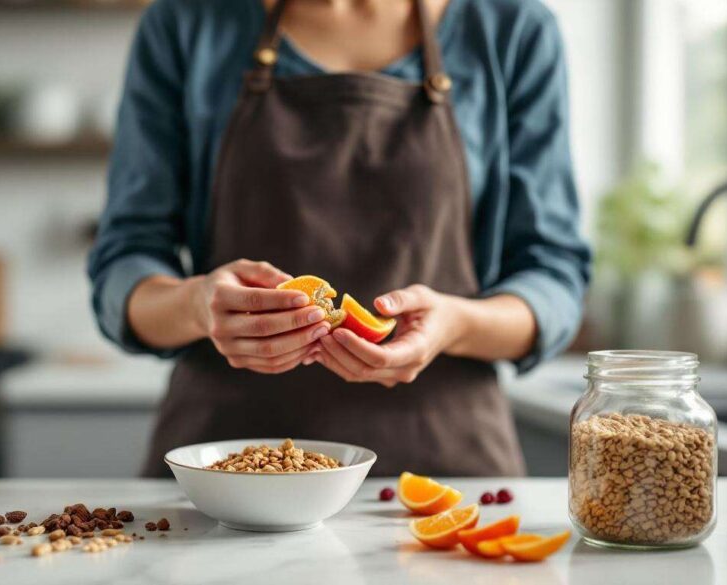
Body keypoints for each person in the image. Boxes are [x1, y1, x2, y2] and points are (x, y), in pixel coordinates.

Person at [88, 0, 591, 477]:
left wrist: (456, 324)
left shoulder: (511, 27)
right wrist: (196, 306)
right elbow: (125, 262)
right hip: (225, 473)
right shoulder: (185, 23)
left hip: (444, 473)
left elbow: (553, 275)